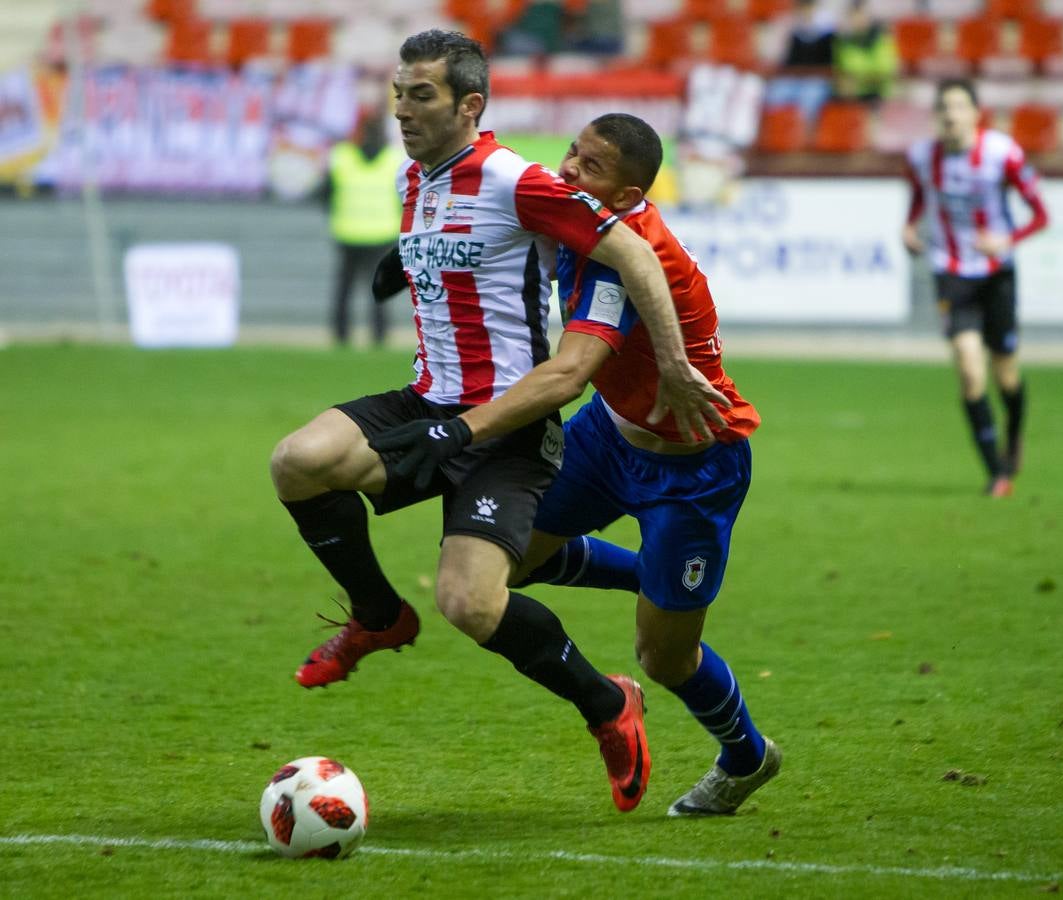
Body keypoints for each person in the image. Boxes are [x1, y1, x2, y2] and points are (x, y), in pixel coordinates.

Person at [269, 29, 728, 814]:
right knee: (298, 461)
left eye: (422, 96)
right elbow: (468, 245)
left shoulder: (514, 178)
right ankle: (378, 617)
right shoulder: (421, 176)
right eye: (399, 94)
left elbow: (636, 255)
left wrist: (679, 361)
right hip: (426, 401)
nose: (403, 110)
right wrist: (402, 252)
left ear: (468, 104)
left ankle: (607, 704)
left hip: (505, 426)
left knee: (472, 605)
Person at [371, 113, 780, 817]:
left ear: (623, 198)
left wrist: (456, 432)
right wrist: (414, 250)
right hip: (605, 439)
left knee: (664, 660)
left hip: (693, 463)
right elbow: (501, 215)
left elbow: (568, 375)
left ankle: (745, 757)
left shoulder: (629, 255)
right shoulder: (580, 216)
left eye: (589, 168)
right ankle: (645, 576)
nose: (566, 171)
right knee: (505, 568)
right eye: (570, 152)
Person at [903, 78, 1048, 497]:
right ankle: (997, 473)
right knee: (970, 370)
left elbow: (1040, 213)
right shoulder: (921, 157)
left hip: (997, 271)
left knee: (1006, 372)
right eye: (944, 107)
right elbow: (919, 196)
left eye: (959, 106)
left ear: (975, 113)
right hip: (951, 270)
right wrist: (910, 225)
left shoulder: (1003, 154)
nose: (950, 115)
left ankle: (1015, 435)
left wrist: (1008, 240)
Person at [321, 110, 403, 345]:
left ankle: (341, 334)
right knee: (379, 289)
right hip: (382, 232)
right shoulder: (393, 159)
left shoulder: (341, 156)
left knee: (344, 288)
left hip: (348, 231)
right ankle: (379, 335)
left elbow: (326, 194)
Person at [763, 0, 837, 124]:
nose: (807, 11)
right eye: (804, 8)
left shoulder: (828, 31)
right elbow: (781, 59)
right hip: (792, 78)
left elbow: (830, 62)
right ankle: (777, 131)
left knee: (810, 98)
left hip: (816, 79)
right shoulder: (791, 28)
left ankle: (801, 136)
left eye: (810, 7)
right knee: (775, 94)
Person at [832, 0, 898, 104]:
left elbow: (885, 68)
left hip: (878, 94)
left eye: (861, 14)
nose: (858, 19)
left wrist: (859, 77)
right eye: (854, 15)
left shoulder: (881, 38)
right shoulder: (844, 41)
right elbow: (844, 68)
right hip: (852, 95)